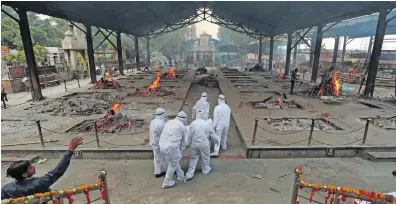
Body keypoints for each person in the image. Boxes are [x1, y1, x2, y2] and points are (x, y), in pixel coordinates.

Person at [1, 137, 84, 199]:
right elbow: (58, 171)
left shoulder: (6, 188)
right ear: (25, 174)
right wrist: (70, 150)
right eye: (30, 167)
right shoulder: (37, 184)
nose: (34, 166)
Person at [185, 111, 218, 180]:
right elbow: (212, 133)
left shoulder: (192, 124)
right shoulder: (206, 124)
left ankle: (190, 173)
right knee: (205, 157)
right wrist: (216, 139)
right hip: (204, 144)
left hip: (195, 144)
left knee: (194, 158)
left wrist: (187, 145)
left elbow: (189, 135)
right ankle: (205, 169)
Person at [159, 111, 188, 189]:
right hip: (171, 146)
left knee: (174, 161)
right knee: (173, 163)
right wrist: (182, 148)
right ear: (184, 119)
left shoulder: (169, 122)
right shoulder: (182, 126)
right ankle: (166, 182)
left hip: (162, 145)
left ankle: (181, 175)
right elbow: (184, 142)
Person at [149, 108, 167, 178]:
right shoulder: (161, 123)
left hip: (153, 142)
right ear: (162, 114)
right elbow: (163, 135)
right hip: (158, 143)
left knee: (156, 157)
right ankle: (168, 170)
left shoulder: (153, 121)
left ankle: (157, 172)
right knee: (163, 157)